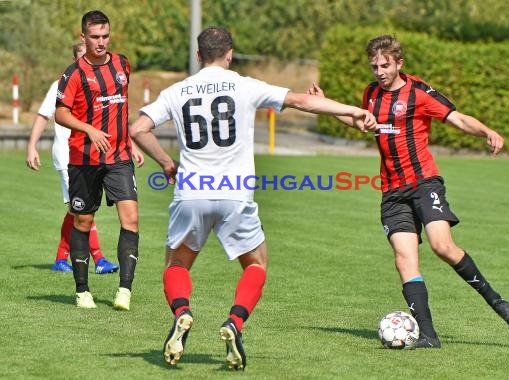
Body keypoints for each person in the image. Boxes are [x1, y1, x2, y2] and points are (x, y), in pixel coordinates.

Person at [129, 26, 375, 368]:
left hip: (192, 192)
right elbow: (302, 101)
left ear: (199, 56)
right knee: (256, 264)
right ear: (229, 54)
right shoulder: (245, 86)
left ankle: (183, 313)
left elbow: (137, 129)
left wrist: (168, 163)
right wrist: (352, 110)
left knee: (177, 265)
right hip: (235, 194)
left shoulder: (177, 91)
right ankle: (235, 322)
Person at [310, 35, 509, 348]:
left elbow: (457, 118)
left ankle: (496, 300)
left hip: (424, 182)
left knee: (442, 246)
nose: (379, 71)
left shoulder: (419, 92)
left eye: (385, 65)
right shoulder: (371, 94)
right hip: (392, 191)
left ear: (399, 63)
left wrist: (487, 131)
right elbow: (359, 124)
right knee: (404, 259)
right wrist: (324, 105)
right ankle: (428, 336)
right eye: (374, 66)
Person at [55, 10, 144, 310]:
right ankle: (82, 291)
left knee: (130, 218)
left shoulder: (122, 64)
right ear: (83, 37)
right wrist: (89, 128)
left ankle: (124, 291)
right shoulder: (73, 73)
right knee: (83, 220)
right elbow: (60, 112)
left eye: (105, 36)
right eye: (95, 37)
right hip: (84, 158)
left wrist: (131, 142)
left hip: (118, 156)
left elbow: (122, 109)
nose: (101, 42)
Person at [26, 41, 119, 275]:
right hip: (68, 155)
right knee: (83, 209)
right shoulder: (61, 84)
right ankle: (99, 259)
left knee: (76, 210)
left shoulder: (100, 84)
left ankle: (60, 259)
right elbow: (42, 116)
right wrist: (31, 146)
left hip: (88, 154)